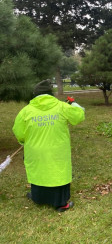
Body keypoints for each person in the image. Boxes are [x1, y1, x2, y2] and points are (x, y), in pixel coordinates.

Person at [12, 79, 85, 212]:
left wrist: (24, 141)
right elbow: (78, 116)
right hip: (57, 152)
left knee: (39, 173)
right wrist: (73, 103)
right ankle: (61, 203)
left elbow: (19, 132)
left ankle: (38, 198)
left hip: (35, 152)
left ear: (35, 94)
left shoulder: (26, 111)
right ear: (50, 93)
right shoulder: (62, 107)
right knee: (57, 173)